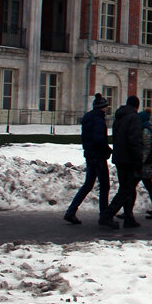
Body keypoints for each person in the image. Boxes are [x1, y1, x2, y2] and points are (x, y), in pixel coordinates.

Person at [64, 93, 112, 225]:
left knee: (88, 185)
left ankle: (71, 211)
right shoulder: (99, 120)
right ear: (102, 107)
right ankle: (104, 216)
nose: (106, 109)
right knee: (104, 186)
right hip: (98, 156)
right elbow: (99, 139)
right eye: (105, 107)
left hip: (90, 155)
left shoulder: (89, 118)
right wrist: (107, 149)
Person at [99, 95, 145, 229]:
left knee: (126, 188)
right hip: (129, 159)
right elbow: (134, 140)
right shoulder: (134, 118)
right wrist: (139, 159)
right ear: (137, 106)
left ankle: (129, 218)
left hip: (119, 157)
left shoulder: (119, 117)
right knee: (127, 189)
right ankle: (107, 215)